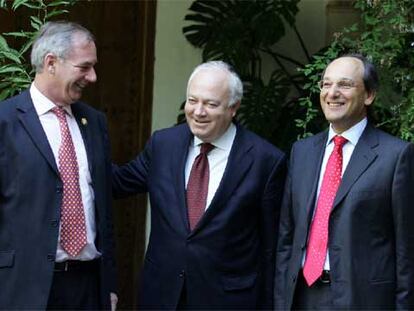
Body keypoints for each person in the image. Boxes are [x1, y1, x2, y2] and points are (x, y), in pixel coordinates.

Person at [112, 61, 287, 309]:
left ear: (233, 107)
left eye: (211, 104)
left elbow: (272, 246)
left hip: (228, 300)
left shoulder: (265, 161)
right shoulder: (163, 145)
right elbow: (117, 182)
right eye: (192, 101)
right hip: (162, 295)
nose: (198, 111)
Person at [274, 54, 414, 310]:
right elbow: (287, 236)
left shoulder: (396, 156)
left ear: (369, 95)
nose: (332, 93)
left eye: (345, 85)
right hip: (301, 296)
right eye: (326, 84)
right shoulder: (301, 152)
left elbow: (407, 251)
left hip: (363, 300)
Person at [0, 21, 117, 310]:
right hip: (23, 289)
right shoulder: (5, 121)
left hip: (87, 286)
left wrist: (109, 285)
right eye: (84, 67)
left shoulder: (94, 122)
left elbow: (104, 205)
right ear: (51, 62)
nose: (92, 77)